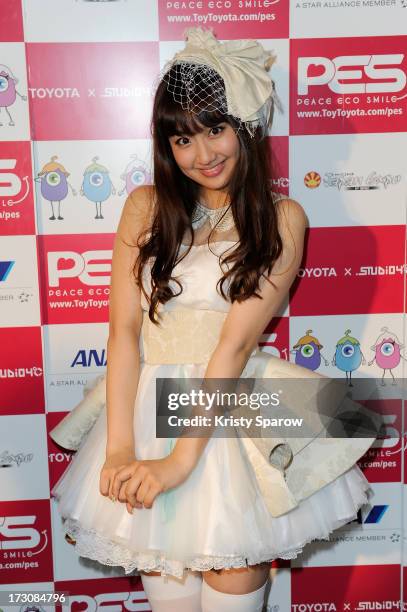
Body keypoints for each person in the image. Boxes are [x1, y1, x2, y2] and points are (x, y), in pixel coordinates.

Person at [50, 28, 377, 612]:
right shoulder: (145, 207)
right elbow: (123, 334)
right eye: (181, 138)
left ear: (247, 125)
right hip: (146, 411)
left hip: (231, 418)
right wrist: (121, 450)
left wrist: (178, 460)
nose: (201, 154)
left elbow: (231, 348)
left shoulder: (283, 219)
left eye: (214, 129)